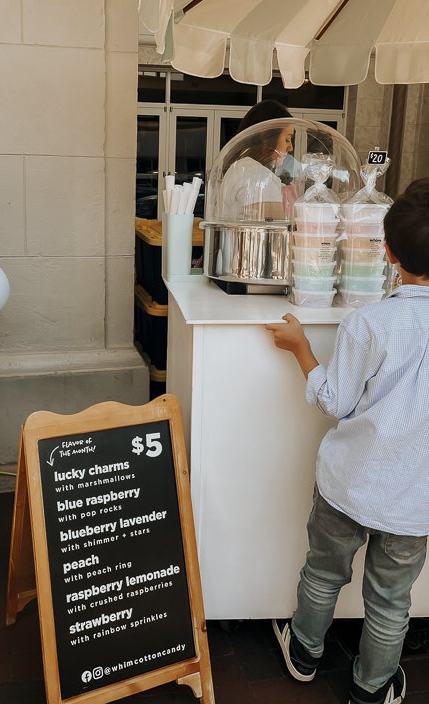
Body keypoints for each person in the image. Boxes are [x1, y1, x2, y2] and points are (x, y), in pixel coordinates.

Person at [265, 178, 429, 704]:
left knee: (323, 572)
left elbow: (334, 400)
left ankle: (305, 653)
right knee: (389, 601)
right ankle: (371, 688)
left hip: (350, 483)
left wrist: (300, 348)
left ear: (385, 251)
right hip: (416, 500)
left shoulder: (369, 323)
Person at [216, 100, 296, 221]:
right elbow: (273, 235)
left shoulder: (243, 167)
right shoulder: (258, 176)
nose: (290, 148)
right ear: (266, 137)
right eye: (287, 139)